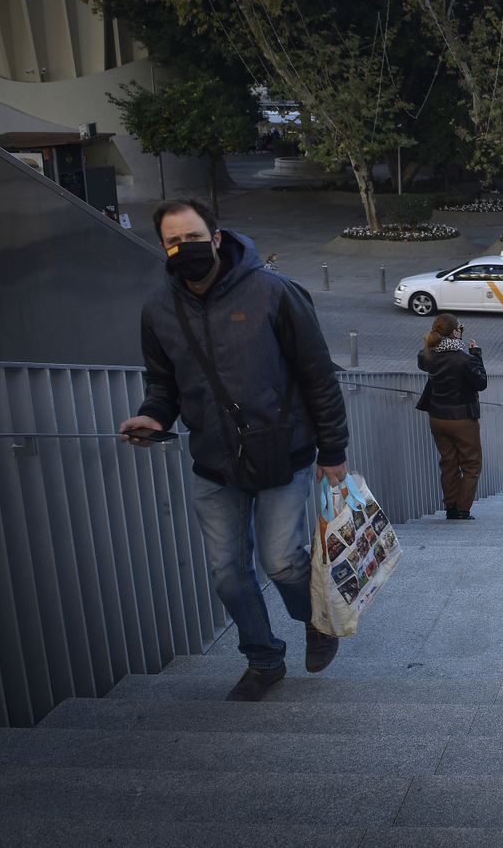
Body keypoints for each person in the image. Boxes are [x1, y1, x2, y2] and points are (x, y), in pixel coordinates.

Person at [120, 199, 349, 701]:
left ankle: (316, 620)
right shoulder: (158, 309)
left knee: (282, 560)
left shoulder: (273, 292)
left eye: (194, 237)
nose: (186, 249)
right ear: (162, 247)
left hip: (283, 452)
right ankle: (263, 659)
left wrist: (333, 449)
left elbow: (318, 374)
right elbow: (162, 384)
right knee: (227, 574)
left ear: (217, 237)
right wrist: (154, 416)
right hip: (214, 462)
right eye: (174, 241)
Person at [416, 314, 490, 520]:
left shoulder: (427, 355)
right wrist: (476, 355)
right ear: (455, 332)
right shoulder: (464, 359)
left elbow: (425, 360)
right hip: (462, 419)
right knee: (471, 464)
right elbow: (481, 383)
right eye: (459, 328)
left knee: (448, 462)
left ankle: (450, 507)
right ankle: (462, 509)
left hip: (437, 417)